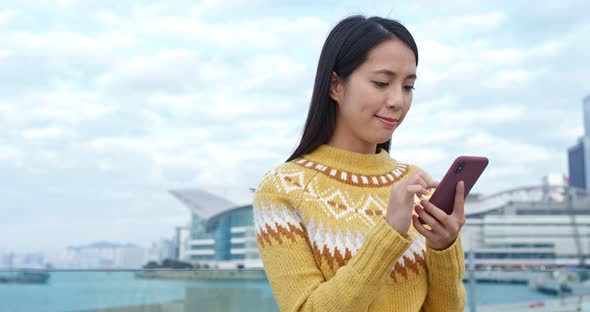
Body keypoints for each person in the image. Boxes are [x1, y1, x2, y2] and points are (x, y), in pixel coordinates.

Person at [253, 15, 466, 312]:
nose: (397, 101)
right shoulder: (282, 190)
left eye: (408, 87)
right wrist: (389, 232)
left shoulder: (417, 184)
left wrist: (444, 247)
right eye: (381, 83)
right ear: (336, 86)